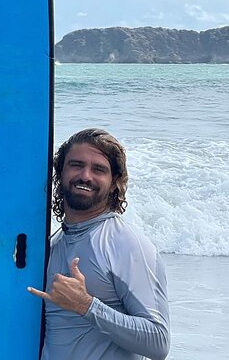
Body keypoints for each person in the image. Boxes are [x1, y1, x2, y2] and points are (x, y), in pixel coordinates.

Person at [27, 128, 170, 360]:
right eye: (76, 164)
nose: (85, 175)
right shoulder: (55, 243)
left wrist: (87, 305)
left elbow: (158, 341)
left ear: (114, 182)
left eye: (98, 169)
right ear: (60, 173)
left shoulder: (126, 244)